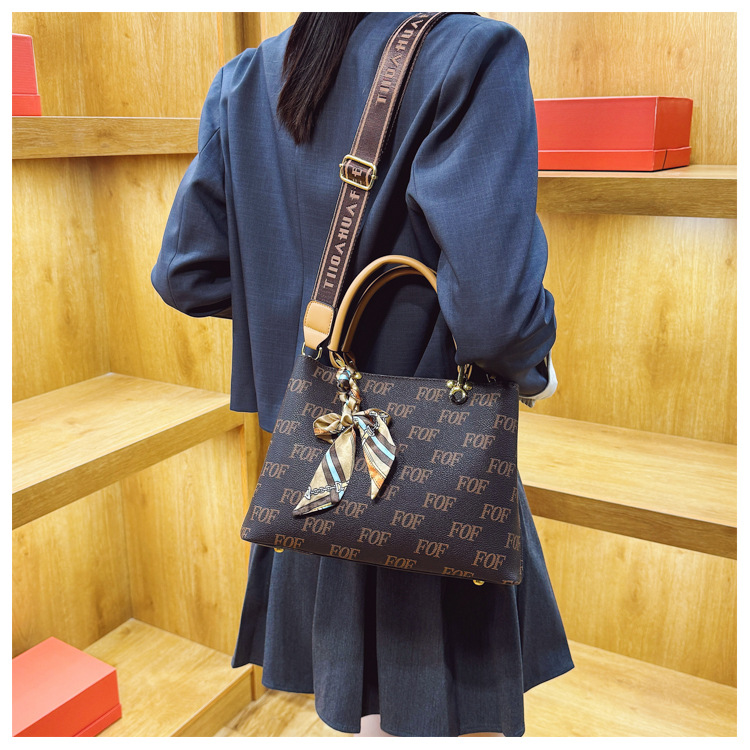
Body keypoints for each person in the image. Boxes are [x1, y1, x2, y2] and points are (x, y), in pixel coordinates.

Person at [151, 12, 573, 738]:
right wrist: (536, 366)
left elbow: (186, 274)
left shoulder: (245, 79)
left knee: (355, 714)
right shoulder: (471, 53)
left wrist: (300, 327)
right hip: (435, 479)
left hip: (314, 477)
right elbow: (498, 316)